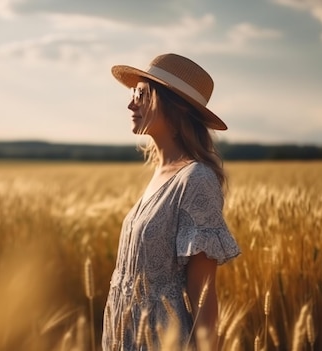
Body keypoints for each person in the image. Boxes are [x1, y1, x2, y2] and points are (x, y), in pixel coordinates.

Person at [102, 53, 241, 351]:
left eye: (141, 93)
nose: (131, 103)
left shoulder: (196, 179)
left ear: (173, 105)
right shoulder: (160, 173)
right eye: (132, 93)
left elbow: (203, 294)